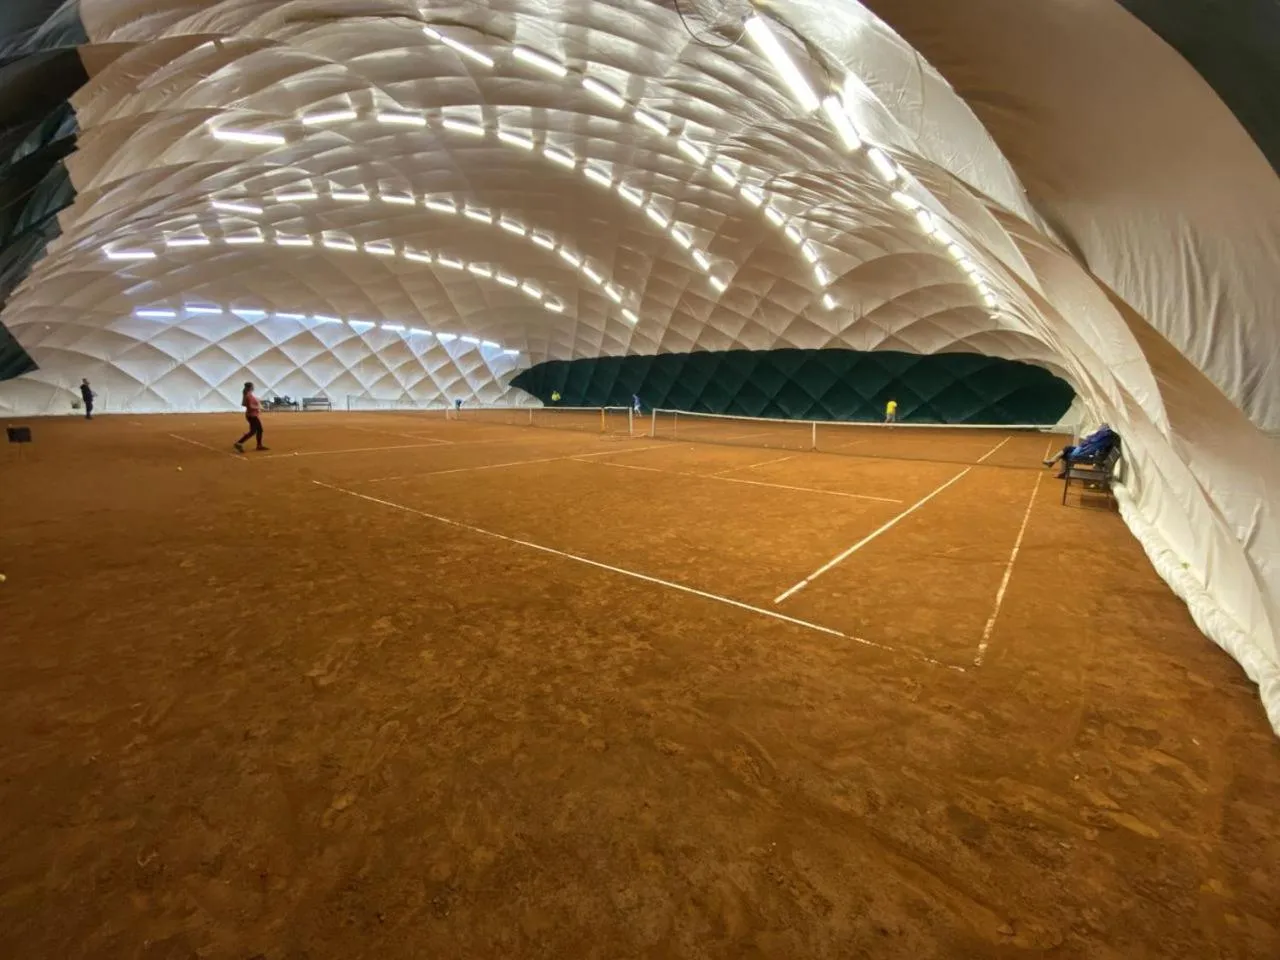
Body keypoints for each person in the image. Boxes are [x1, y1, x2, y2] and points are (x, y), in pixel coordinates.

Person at [1044, 424, 1116, 474]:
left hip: (1087, 456)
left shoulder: (1099, 442)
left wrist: (1080, 451)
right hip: (1087, 453)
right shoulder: (1100, 440)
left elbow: (1089, 451)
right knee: (1067, 448)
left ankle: (1059, 468)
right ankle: (1053, 462)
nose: (1098, 430)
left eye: (1100, 429)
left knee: (1066, 454)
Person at [234, 381, 268, 452]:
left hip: (251, 415)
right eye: (253, 386)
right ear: (251, 387)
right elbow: (250, 406)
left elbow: (244, 404)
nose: (254, 387)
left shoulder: (247, 394)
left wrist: (257, 401)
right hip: (252, 416)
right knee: (254, 431)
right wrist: (259, 407)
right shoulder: (248, 396)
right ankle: (239, 443)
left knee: (258, 430)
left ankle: (259, 445)